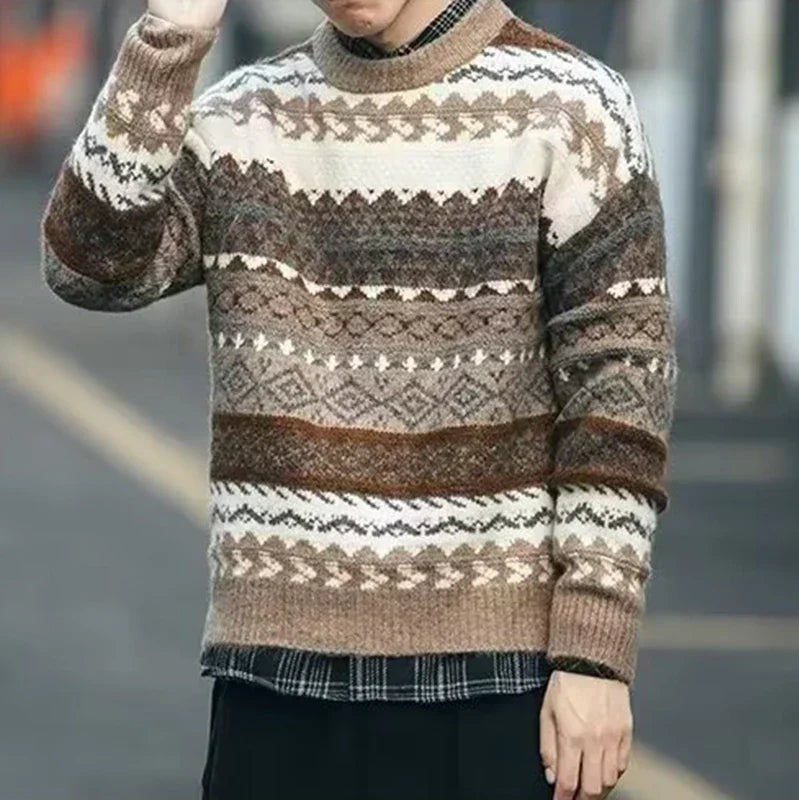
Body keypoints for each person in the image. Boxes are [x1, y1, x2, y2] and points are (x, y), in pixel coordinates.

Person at [39, 0, 678, 797]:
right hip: (273, 685)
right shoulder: (243, 118)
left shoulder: (574, 107)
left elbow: (619, 389)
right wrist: (172, 32)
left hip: (494, 682)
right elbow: (89, 266)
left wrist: (595, 653)